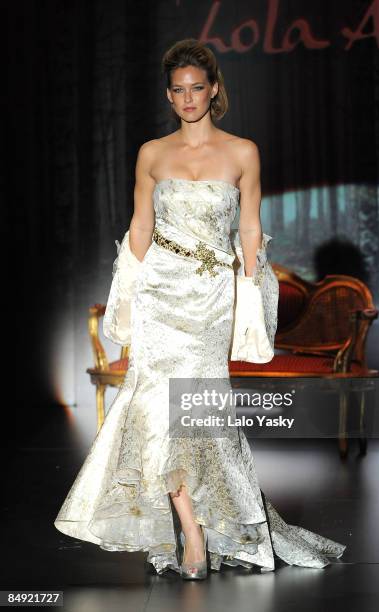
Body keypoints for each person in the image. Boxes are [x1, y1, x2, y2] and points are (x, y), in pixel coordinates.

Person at [54, 38, 346, 580]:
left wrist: (252, 299)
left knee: (199, 414)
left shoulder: (242, 152)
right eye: (178, 91)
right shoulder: (151, 153)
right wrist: (127, 296)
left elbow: (250, 228)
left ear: (213, 90)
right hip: (160, 293)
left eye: (197, 88)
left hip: (211, 296)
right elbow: (141, 227)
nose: (188, 99)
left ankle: (221, 524)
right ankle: (191, 532)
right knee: (153, 411)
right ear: (169, 96)